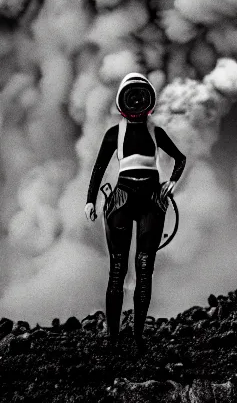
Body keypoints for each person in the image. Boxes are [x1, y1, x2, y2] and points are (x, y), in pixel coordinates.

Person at [85, 72, 186, 351]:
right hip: (123, 198)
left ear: (149, 101)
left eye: (140, 96)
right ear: (121, 103)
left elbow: (180, 159)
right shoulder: (114, 133)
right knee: (117, 269)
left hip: (150, 200)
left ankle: (138, 337)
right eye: (131, 96)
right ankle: (113, 338)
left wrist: (172, 184)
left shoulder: (155, 131)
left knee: (144, 269)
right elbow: (98, 168)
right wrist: (90, 201)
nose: (136, 102)